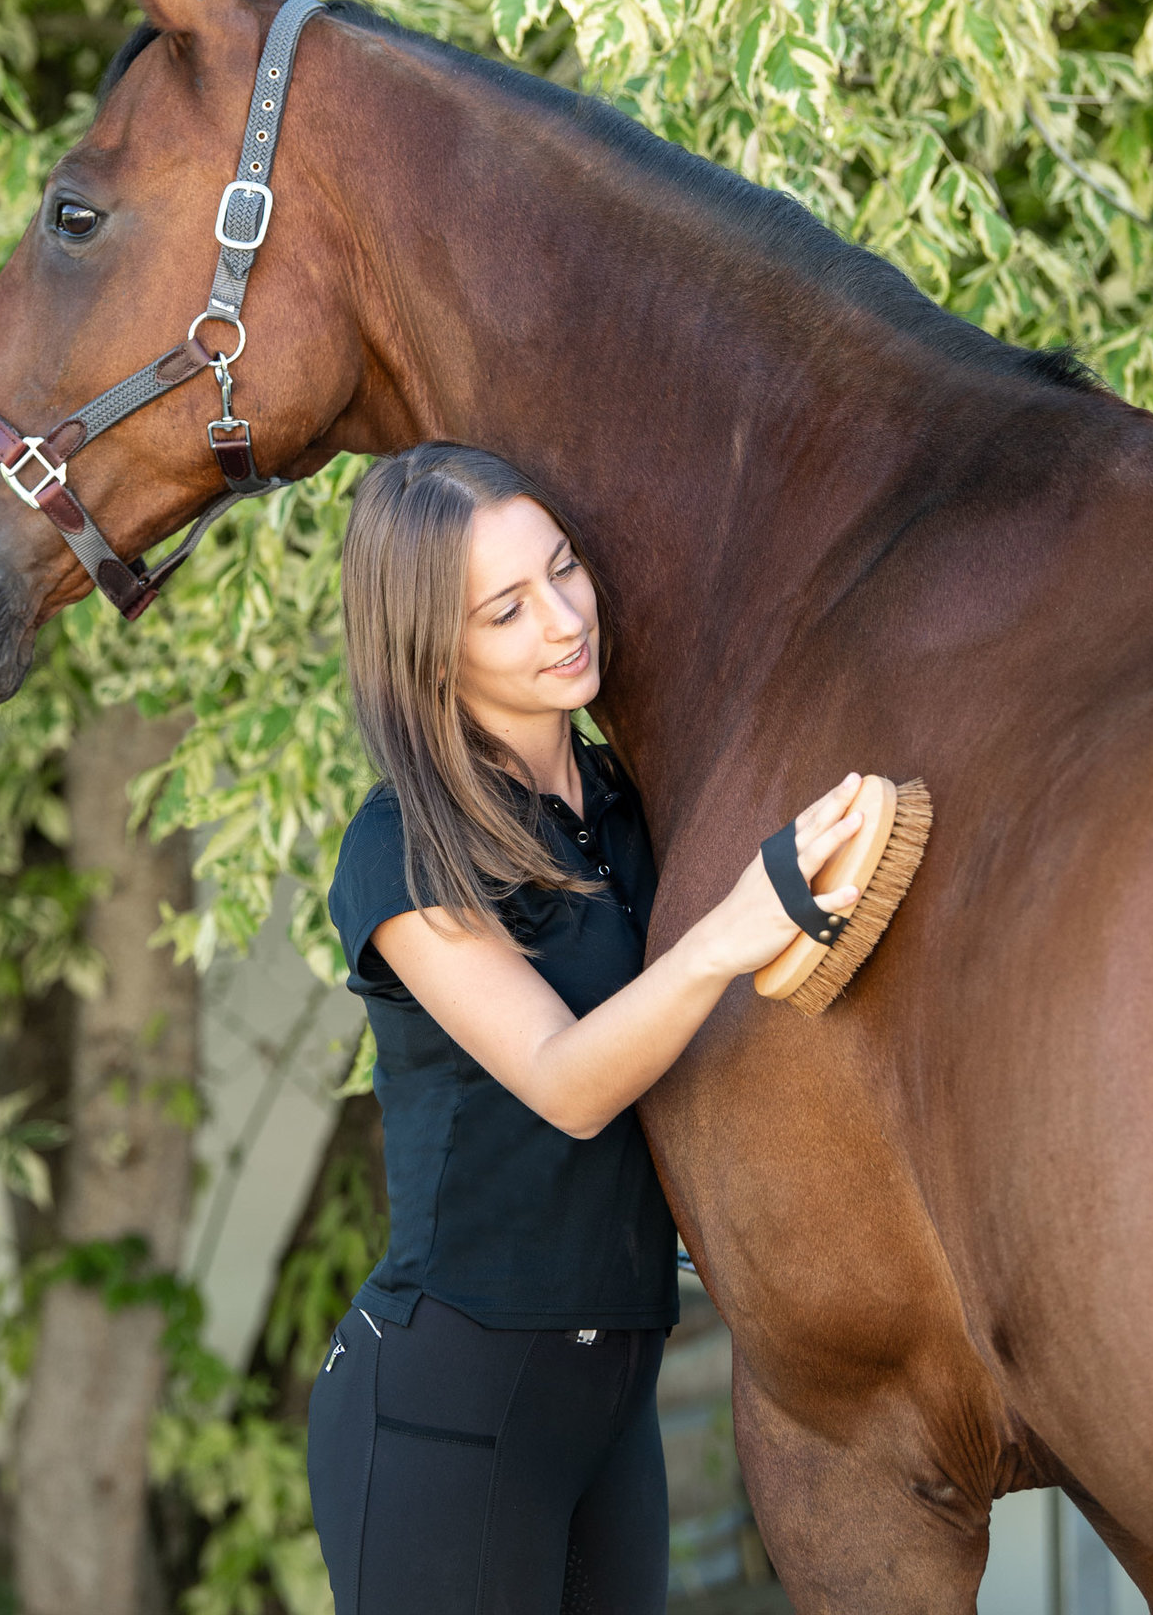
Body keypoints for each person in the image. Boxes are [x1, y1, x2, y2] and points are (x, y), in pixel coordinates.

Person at [307, 442, 865, 1615]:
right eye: (505, 610)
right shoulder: (407, 846)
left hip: (614, 1397)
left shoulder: (622, 803)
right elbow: (566, 1080)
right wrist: (730, 928)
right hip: (445, 1404)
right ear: (431, 651)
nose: (562, 619)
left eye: (564, 569)